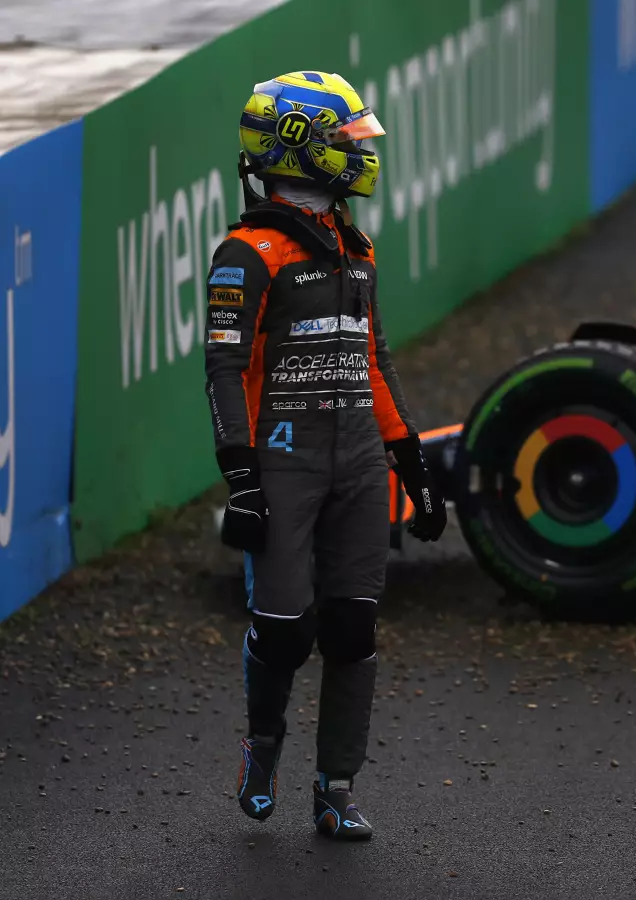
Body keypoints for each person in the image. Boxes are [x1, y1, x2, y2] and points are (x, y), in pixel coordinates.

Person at [204, 71, 447, 841]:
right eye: (348, 141)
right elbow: (223, 369)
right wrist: (241, 476)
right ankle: (261, 750)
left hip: (359, 465)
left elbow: (373, 357)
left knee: (352, 632)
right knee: (285, 632)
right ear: (299, 149)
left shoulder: (355, 244)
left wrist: (410, 459)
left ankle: (336, 790)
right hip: (285, 465)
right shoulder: (246, 252)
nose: (363, 154)